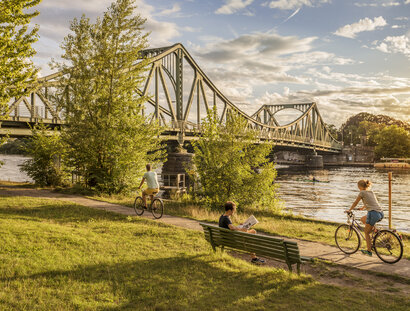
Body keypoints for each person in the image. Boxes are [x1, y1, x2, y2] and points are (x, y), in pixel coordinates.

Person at [347, 179, 384, 256]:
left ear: (359, 186)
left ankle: (369, 251)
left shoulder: (362, 192)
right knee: (362, 219)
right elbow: (371, 201)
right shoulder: (371, 192)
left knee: (366, 232)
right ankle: (374, 230)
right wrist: (363, 207)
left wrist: (349, 210)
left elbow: (355, 202)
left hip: (373, 213)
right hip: (380, 213)